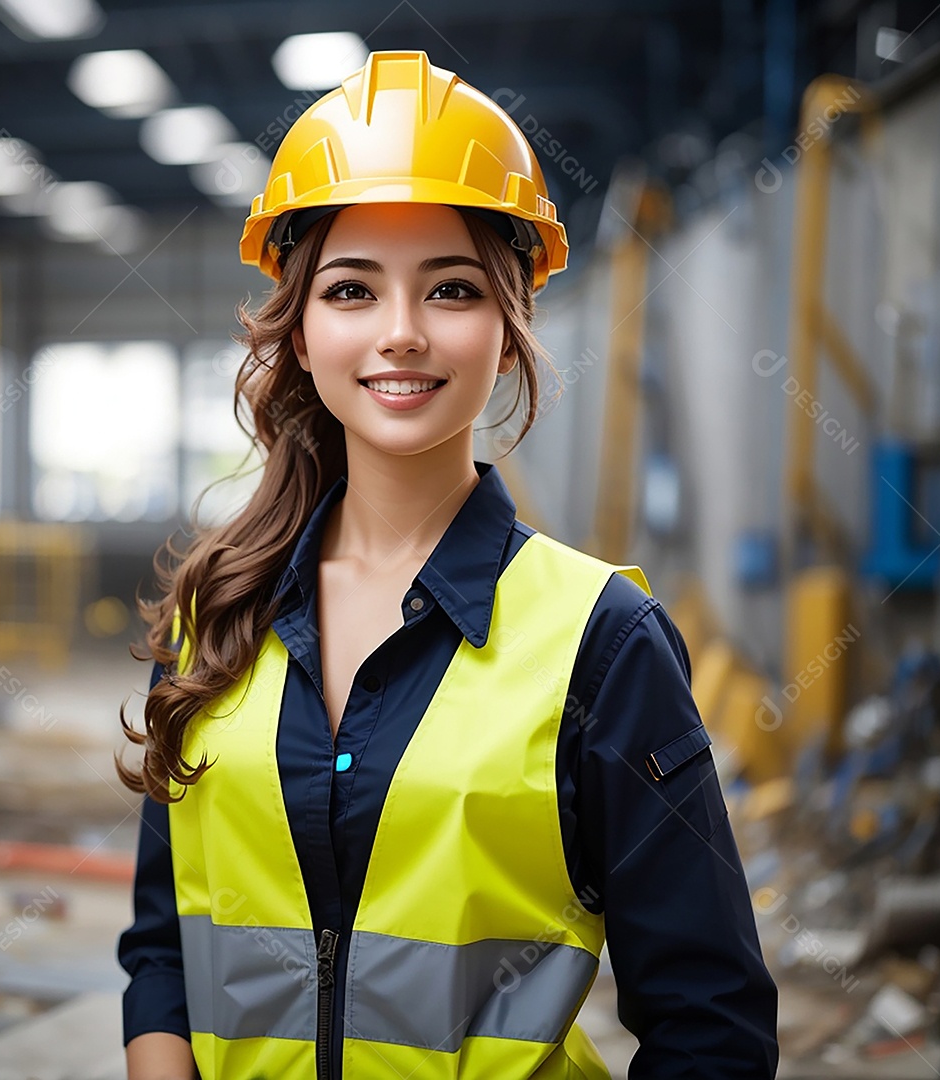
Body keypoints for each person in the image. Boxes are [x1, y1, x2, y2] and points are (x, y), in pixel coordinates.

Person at [115, 49, 779, 1080]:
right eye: (350, 289)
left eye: (452, 288)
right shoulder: (219, 613)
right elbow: (165, 943)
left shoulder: (598, 643)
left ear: (509, 331)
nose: (401, 335)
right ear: (298, 332)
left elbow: (711, 1024)